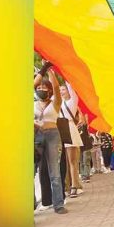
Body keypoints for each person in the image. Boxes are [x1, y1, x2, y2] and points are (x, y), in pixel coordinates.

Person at [34, 61, 68, 214]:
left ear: (49, 91)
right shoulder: (32, 104)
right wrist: (42, 69)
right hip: (36, 137)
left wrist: (50, 71)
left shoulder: (55, 103)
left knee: (54, 172)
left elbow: (56, 88)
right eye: (39, 87)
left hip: (53, 135)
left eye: (44, 88)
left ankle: (59, 205)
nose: (41, 89)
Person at [59, 81, 84, 197]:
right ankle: (66, 186)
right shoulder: (59, 102)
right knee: (64, 162)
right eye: (60, 90)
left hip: (70, 129)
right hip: (60, 130)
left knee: (72, 161)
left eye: (63, 89)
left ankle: (75, 185)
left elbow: (70, 85)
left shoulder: (72, 101)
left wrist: (65, 74)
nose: (61, 92)